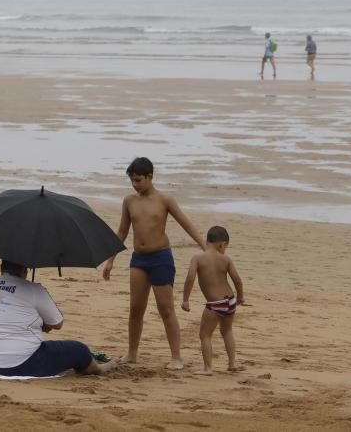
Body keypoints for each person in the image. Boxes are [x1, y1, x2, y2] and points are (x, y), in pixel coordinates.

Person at [102, 157, 206, 369]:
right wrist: (110, 259)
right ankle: (132, 353)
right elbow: (122, 231)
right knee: (135, 308)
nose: (134, 184)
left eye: (138, 180)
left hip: (160, 258)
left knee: (166, 308)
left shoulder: (164, 200)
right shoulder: (129, 201)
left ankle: (176, 357)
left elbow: (186, 224)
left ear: (150, 177)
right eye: (132, 180)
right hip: (139, 259)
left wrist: (206, 247)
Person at [0, 260, 119, 377]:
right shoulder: (34, 289)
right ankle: (99, 369)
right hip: (18, 363)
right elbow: (57, 323)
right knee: (78, 349)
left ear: (1, 267)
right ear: (25, 270)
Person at [182, 225, 245, 375]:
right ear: (222, 244)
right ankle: (231, 364)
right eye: (226, 247)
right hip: (230, 301)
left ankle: (208, 368)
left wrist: (186, 299)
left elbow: (190, 278)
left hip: (215, 304)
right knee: (227, 331)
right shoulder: (226, 259)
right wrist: (241, 296)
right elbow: (237, 280)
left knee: (205, 335)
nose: (225, 250)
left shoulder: (198, 258)